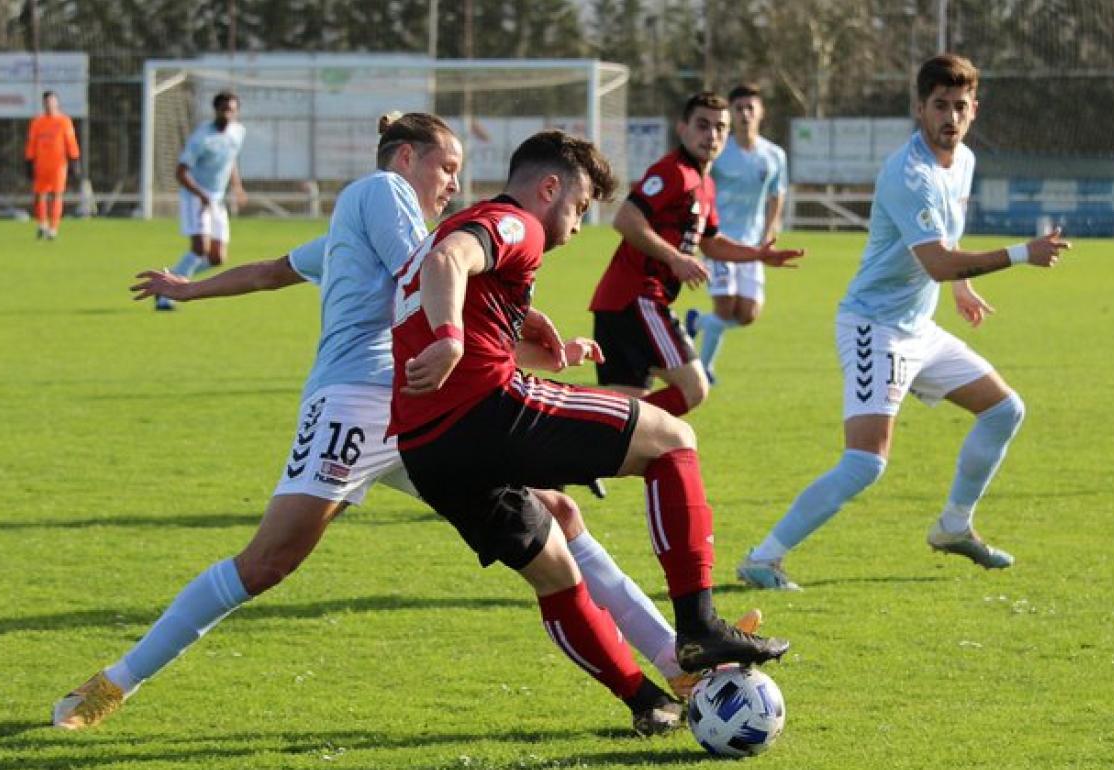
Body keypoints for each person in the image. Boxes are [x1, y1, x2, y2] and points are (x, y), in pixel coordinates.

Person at [53, 114, 729, 737]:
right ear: (405, 157)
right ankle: (113, 683)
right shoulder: (382, 193)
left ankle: (672, 661)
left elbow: (273, 271)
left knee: (555, 516)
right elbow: (433, 268)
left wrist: (191, 287)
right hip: (357, 402)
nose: (455, 182)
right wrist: (526, 321)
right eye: (445, 166)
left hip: (417, 407)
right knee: (267, 563)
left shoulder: (367, 215)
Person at [389, 129, 791, 733]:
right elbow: (453, 264)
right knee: (672, 440)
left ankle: (645, 702)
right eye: (578, 206)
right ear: (548, 187)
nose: (577, 225)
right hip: (488, 412)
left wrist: (521, 341)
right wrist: (451, 337)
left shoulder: (462, 222)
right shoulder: (514, 222)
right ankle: (699, 626)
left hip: (427, 449)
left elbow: (448, 278)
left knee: (555, 569)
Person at [736, 54, 1070, 591]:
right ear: (920, 108)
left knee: (1005, 410)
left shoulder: (963, 162)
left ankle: (953, 526)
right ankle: (763, 557)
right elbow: (936, 261)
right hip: (874, 328)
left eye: (961, 106)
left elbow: (948, 245)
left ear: (974, 110)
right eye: (940, 105)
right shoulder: (907, 173)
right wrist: (1020, 254)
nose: (951, 117)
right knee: (866, 463)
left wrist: (962, 287)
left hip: (920, 329)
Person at [587, 92, 802, 420]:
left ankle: (585, 446)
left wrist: (758, 254)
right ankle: (606, 433)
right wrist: (675, 258)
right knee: (693, 388)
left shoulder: (705, 184)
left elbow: (712, 243)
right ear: (682, 128)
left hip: (619, 304)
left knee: (627, 408)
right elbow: (626, 218)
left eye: (720, 128)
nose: (712, 135)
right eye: (703, 125)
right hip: (638, 299)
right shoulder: (673, 171)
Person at [684, 82, 789, 385]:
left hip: (753, 244)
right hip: (720, 241)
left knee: (747, 314)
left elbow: (776, 194)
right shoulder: (720, 151)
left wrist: (769, 233)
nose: (744, 114)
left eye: (750, 108)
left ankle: (696, 322)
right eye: (739, 108)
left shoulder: (774, 155)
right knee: (725, 306)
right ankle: (703, 369)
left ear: (761, 112)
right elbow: (699, 186)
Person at [155, 91, 247, 311]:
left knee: (217, 258)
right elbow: (180, 172)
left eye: (232, 110)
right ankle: (169, 295)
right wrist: (201, 195)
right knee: (199, 249)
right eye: (224, 109)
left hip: (216, 198)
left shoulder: (238, 132)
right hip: (195, 196)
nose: (227, 114)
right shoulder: (202, 137)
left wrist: (237, 186)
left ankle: (168, 281)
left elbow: (230, 159)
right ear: (215, 110)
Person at [24, 91, 80, 241]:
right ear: (43, 104)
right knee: (39, 196)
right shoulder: (37, 123)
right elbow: (32, 143)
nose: (49, 105)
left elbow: (71, 141)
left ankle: (53, 228)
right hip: (41, 165)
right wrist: (29, 161)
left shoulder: (64, 122)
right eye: (46, 102)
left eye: (52, 102)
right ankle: (42, 224)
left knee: (56, 195)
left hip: (59, 166)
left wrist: (74, 160)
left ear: (57, 103)